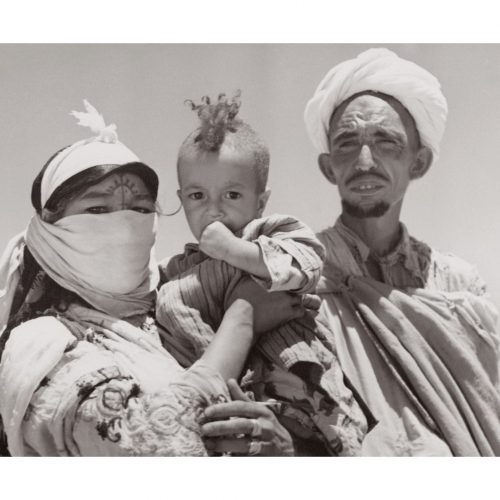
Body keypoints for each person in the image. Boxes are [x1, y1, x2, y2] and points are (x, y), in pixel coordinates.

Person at [0, 100, 295, 456]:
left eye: (140, 209)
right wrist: (243, 318)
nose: (124, 225)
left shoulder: (179, 313)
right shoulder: (42, 346)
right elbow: (151, 445)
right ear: (50, 229)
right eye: (97, 209)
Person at [304, 48, 500, 456]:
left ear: (420, 161)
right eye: (346, 144)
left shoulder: (457, 286)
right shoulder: (303, 274)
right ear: (327, 167)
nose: (364, 161)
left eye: (386, 142)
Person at [155, 92, 373, 456]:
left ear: (260, 201)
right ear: (180, 197)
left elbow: (305, 264)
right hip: (217, 388)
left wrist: (236, 251)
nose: (213, 210)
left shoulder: (271, 233)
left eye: (232, 195)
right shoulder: (176, 271)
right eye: (197, 196)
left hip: (292, 382)